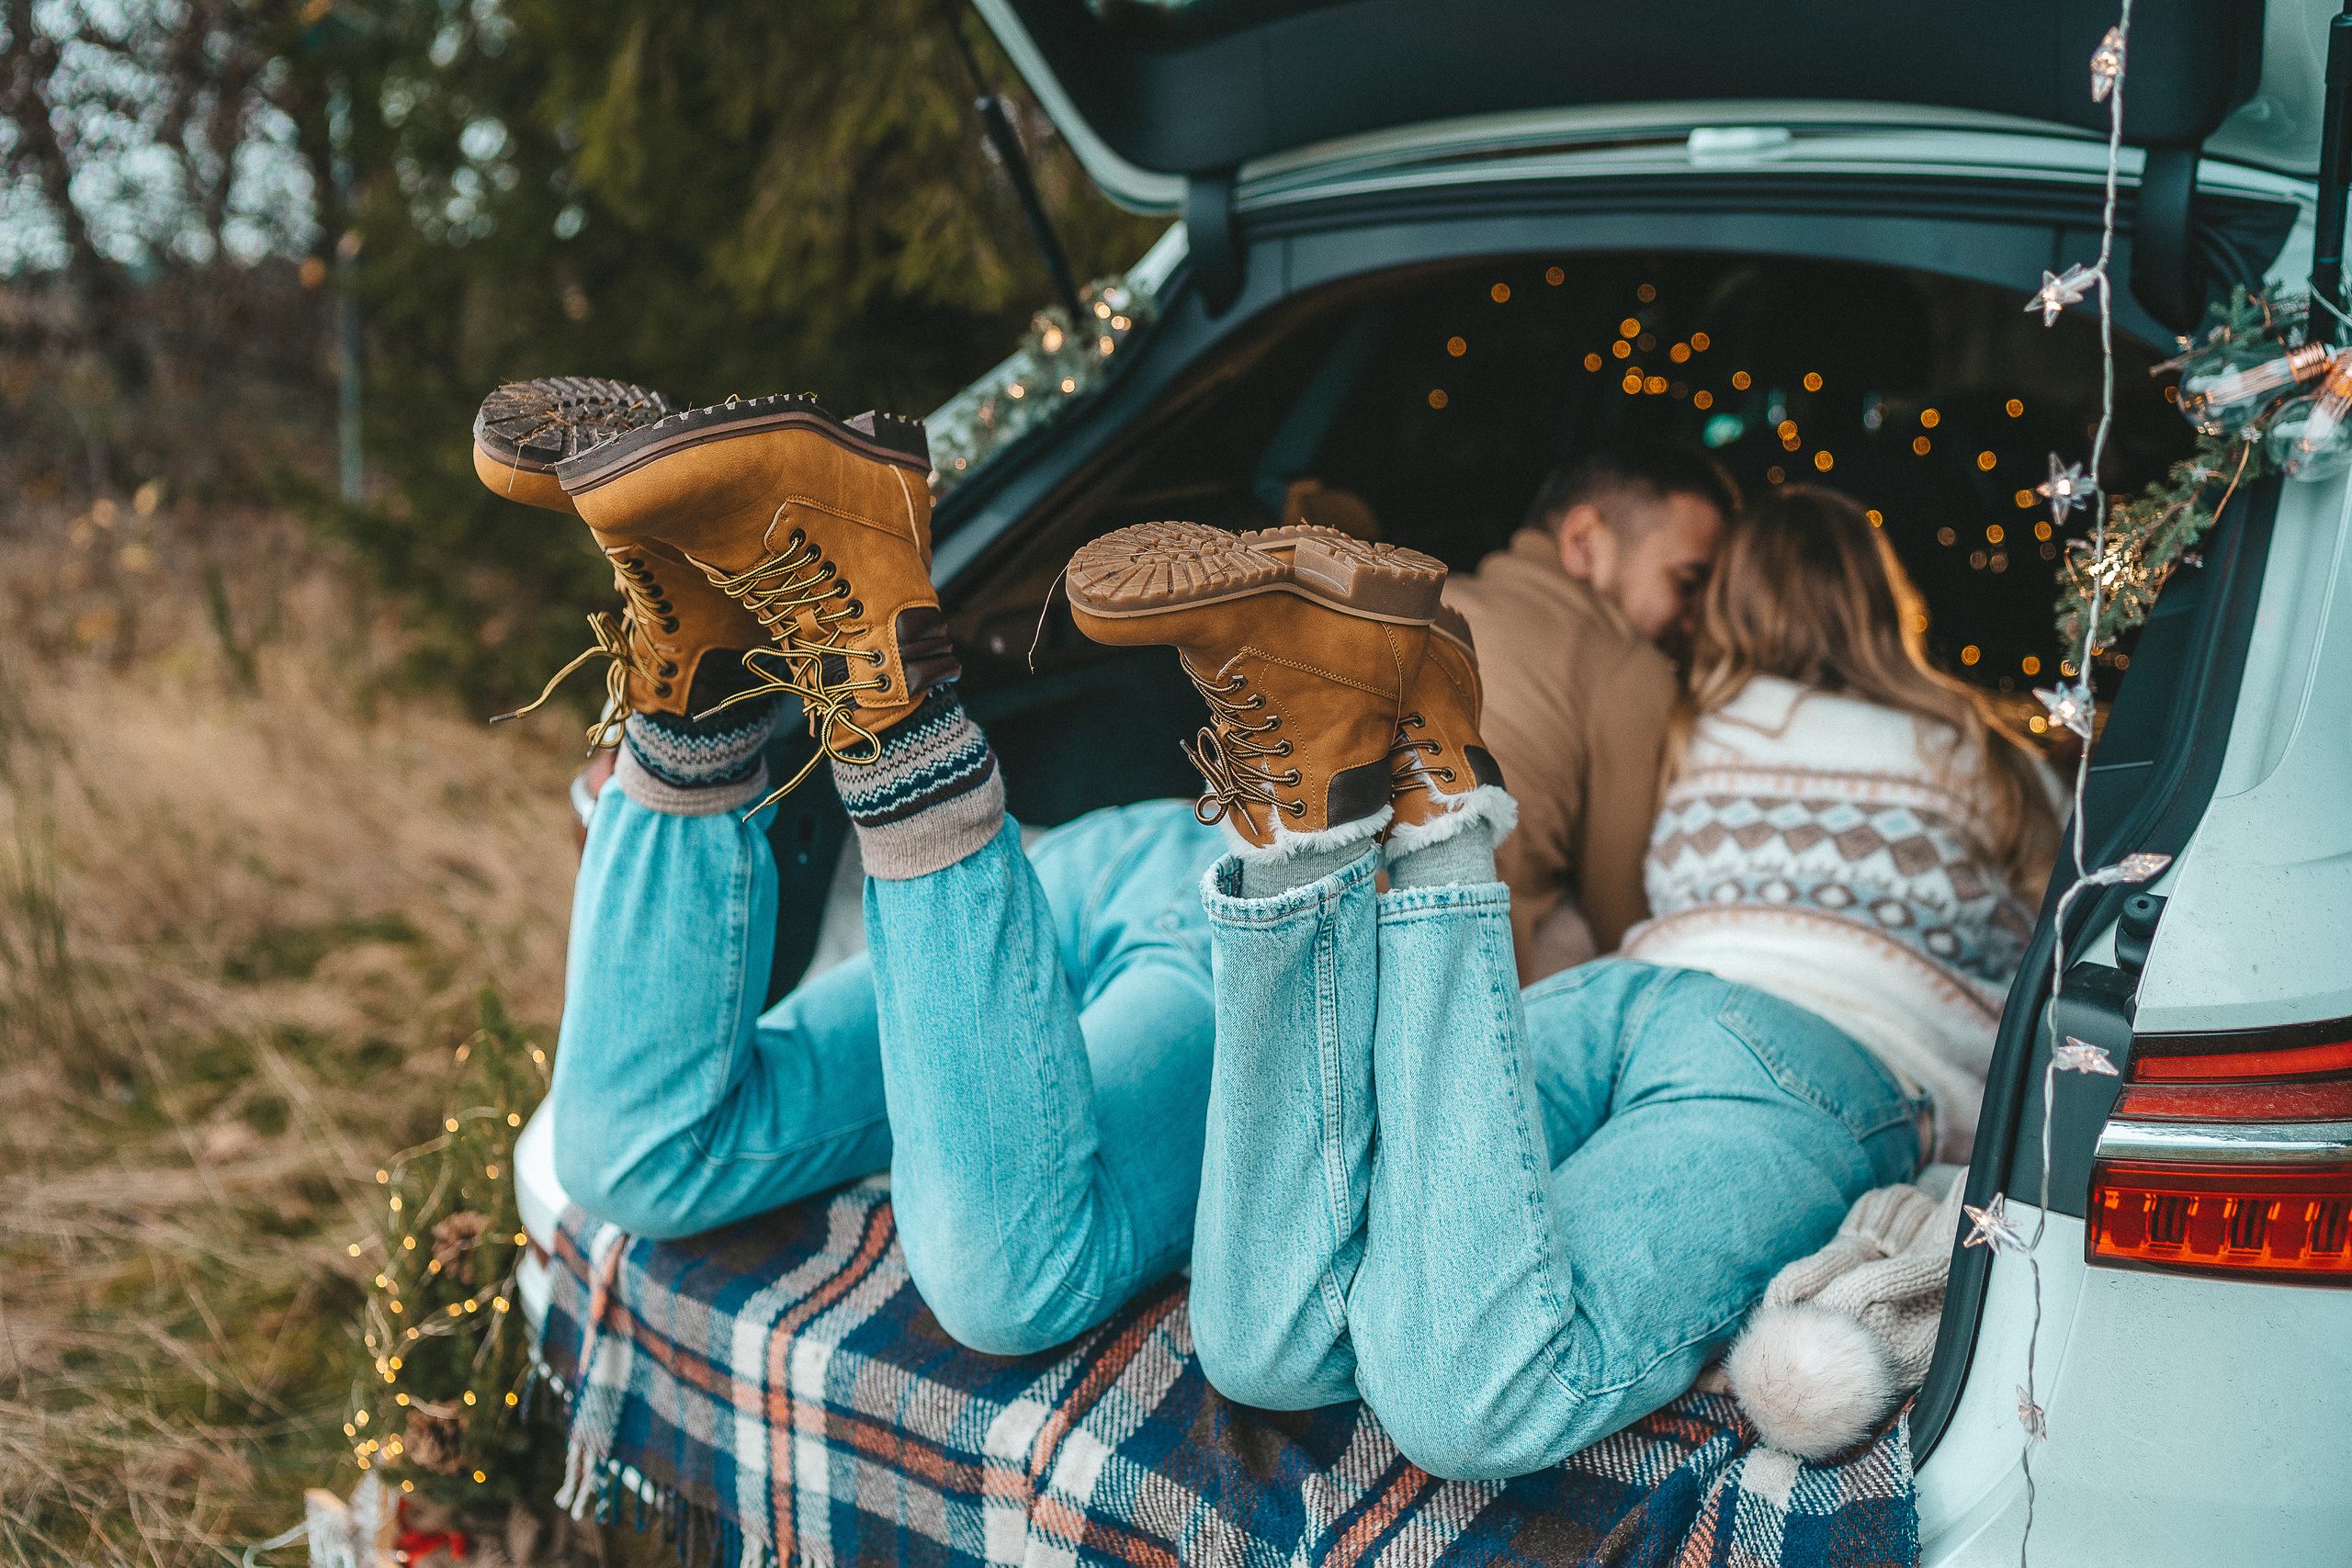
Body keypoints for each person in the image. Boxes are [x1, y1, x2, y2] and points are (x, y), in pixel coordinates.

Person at [1149, 484, 2058, 1478]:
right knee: (1468, 1401)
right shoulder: (1996, 758)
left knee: (1266, 1346)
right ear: (1891, 605)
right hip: (1814, 1053)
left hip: (1619, 995)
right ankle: (1445, 835)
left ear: (1730, 605)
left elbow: (1606, 884)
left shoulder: (1685, 721)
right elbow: (2045, 981)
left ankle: (1308, 851)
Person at [1442, 437, 1736, 982]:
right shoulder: (1628, 667)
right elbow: (1621, 920)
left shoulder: (1435, 600)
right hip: (1450, 977)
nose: (1697, 622)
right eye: (1688, 584)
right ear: (1582, 542)